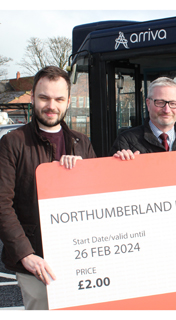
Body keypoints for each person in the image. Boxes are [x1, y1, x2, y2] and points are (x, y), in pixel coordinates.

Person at [0, 66, 96, 310]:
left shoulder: (81, 142)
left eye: (59, 99)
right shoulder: (13, 143)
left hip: (79, 256)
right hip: (35, 260)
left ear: (68, 102)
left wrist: (86, 174)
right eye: (44, 97)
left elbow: (97, 199)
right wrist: (25, 255)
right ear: (32, 97)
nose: (51, 105)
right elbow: (2, 204)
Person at [109, 77, 176, 159]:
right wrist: (119, 165)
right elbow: (112, 175)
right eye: (160, 102)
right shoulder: (126, 142)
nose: (167, 110)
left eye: (173, 103)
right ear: (148, 104)